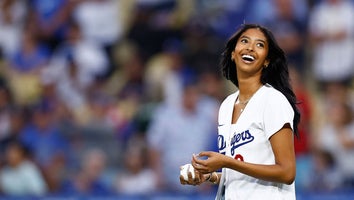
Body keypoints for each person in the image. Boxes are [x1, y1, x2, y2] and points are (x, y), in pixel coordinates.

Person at [180, 23, 300, 200]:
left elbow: (287, 172)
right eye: (244, 41)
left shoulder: (272, 100)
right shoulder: (227, 105)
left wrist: (227, 162)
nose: (251, 47)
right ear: (233, 53)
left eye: (260, 45)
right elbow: (241, 177)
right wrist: (209, 176)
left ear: (267, 60)